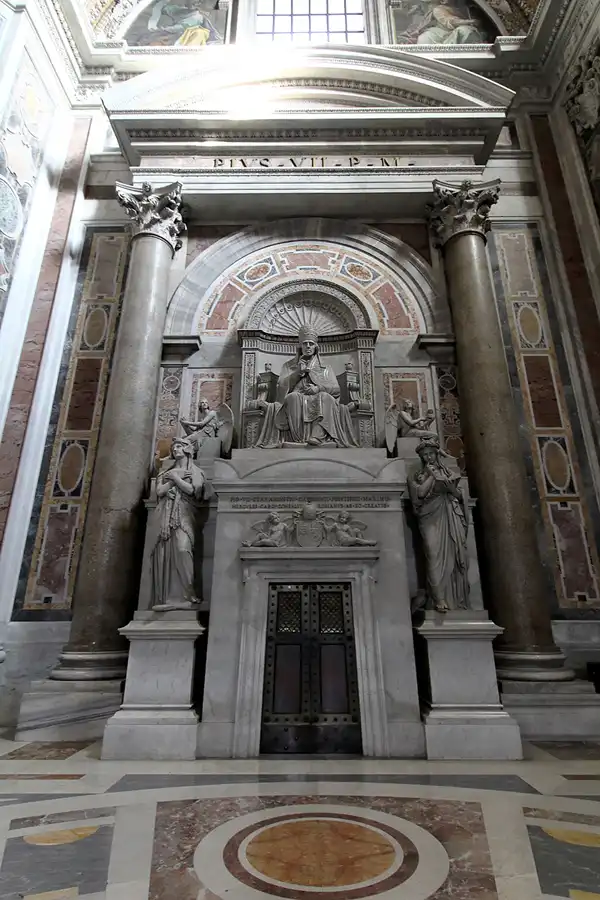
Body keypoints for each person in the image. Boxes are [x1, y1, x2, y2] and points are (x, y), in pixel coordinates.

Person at [254, 325, 359, 448]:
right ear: (300, 346)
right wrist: (297, 373)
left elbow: (336, 389)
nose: (308, 346)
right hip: (298, 396)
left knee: (325, 397)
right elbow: (281, 389)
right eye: (305, 344)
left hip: (319, 395)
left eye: (311, 344)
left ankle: (317, 436)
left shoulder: (325, 367)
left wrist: (318, 388)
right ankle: (298, 439)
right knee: (292, 398)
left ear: (316, 347)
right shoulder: (289, 366)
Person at [407, 437, 470, 612]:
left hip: (449, 512)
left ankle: (454, 599)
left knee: (454, 553)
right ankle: (438, 598)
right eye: (425, 455)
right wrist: (431, 475)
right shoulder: (417, 475)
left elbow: (459, 495)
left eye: (431, 454)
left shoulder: (449, 473)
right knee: (433, 555)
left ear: (436, 454)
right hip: (429, 516)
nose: (428, 457)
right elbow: (419, 494)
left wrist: (451, 489)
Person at [150, 437, 206, 609]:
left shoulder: (196, 471)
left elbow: (192, 490)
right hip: (165, 517)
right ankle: (168, 598)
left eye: (179, 446)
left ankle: (187, 594)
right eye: (174, 447)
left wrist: (175, 479)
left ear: (188, 449)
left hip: (185, 515)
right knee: (165, 555)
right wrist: (175, 477)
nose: (175, 450)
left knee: (183, 550)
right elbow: (159, 491)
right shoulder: (165, 472)